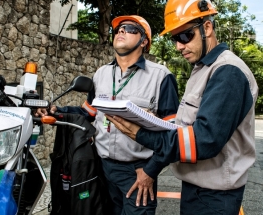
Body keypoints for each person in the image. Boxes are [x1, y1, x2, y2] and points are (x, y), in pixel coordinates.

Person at [106, 0, 258, 215]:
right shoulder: (203, 69)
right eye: (175, 38)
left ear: (207, 27)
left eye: (185, 36)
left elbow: (203, 140)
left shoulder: (228, 72)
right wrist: (152, 120)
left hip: (215, 198)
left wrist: (140, 134)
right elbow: (185, 127)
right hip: (197, 190)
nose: (179, 45)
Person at [37, 15, 179, 215]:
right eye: (119, 28)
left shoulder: (161, 77)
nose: (121, 31)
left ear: (144, 41)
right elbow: (88, 113)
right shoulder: (101, 74)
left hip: (137, 173)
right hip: (102, 169)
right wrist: (57, 111)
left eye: (130, 28)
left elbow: (171, 135)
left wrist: (150, 170)